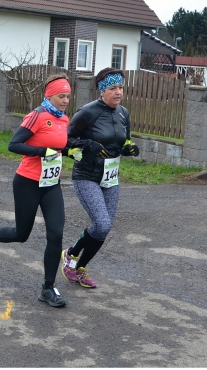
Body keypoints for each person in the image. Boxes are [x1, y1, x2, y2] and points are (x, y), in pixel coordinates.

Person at [0, 75, 73, 307]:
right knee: (21, 234)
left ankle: (48, 288)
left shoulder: (64, 119)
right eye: (61, 96)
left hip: (51, 183)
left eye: (68, 96)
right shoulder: (36, 116)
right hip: (27, 181)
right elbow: (14, 144)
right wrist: (42, 151)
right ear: (49, 95)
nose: (65, 100)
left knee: (56, 234)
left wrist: (70, 152)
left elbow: (59, 146)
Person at [61, 67, 140, 290]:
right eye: (113, 88)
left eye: (121, 88)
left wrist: (129, 149)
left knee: (104, 228)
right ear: (102, 91)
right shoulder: (87, 113)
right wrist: (88, 144)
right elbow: (64, 140)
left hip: (110, 177)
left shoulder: (124, 113)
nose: (119, 92)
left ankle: (79, 267)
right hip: (86, 175)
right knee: (102, 222)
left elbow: (123, 141)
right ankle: (70, 255)